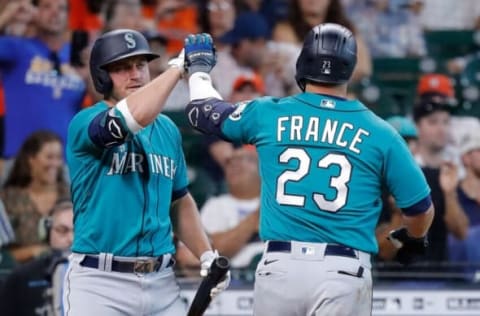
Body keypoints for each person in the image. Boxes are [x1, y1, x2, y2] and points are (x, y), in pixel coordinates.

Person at [183, 25, 434, 315]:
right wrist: (413, 238)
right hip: (344, 270)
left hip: (280, 267)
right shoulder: (380, 132)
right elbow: (420, 208)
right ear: (349, 68)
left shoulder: (268, 113)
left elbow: (201, 112)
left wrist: (199, 69)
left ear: (303, 63)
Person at [63, 29, 229, 315]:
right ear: (102, 77)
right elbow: (131, 118)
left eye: (140, 65)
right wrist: (178, 69)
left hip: (161, 281)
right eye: (122, 68)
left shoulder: (167, 130)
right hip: (100, 282)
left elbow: (179, 200)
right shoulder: (85, 121)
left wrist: (205, 254)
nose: (135, 74)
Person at [1, 130, 70, 263]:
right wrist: (32, 251)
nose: (55, 164)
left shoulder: (72, 196)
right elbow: (2, 255)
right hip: (19, 277)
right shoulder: (8, 199)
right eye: (49, 157)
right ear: (31, 159)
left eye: (58, 157)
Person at [0, 200, 74, 316]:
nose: (71, 239)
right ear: (46, 232)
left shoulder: (98, 277)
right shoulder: (20, 278)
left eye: (77, 231)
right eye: (62, 231)